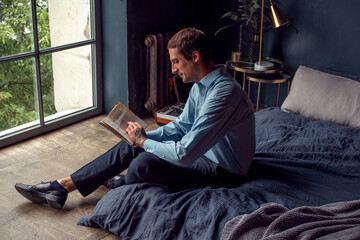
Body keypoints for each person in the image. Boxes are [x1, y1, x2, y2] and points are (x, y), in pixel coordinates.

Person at [14, 27, 255, 210]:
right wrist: (143, 136)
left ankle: (121, 180)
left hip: (222, 171)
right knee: (132, 143)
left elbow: (184, 154)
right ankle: (61, 187)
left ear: (194, 56)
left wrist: (144, 143)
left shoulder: (224, 93)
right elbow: (182, 127)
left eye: (175, 62)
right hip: (202, 153)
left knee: (142, 162)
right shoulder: (200, 87)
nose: (173, 69)